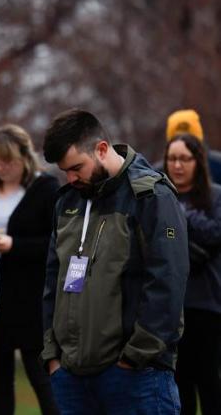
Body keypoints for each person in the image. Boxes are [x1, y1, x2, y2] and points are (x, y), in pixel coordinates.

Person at [41, 109, 188, 414]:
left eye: (76, 167)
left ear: (102, 149)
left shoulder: (151, 197)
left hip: (136, 377)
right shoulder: (67, 201)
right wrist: (53, 356)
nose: (70, 178)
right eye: (64, 171)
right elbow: (52, 281)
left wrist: (133, 359)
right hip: (71, 378)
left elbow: (167, 283)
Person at [0, 124, 59, 415]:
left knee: (43, 380)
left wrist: (15, 245)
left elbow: (57, 242)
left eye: (9, 161)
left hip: (31, 301)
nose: (2, 167)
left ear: (25, 158)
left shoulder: (45, 190)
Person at [163, 133, 221, 415]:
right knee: (179, 387)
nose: (177, 165)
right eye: (172, 159)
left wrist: (181, 213)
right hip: (172, 307)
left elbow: (214, 235)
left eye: (184, 158)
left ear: (197, 161)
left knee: (210, 384)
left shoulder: (216, 196)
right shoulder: (159, 198)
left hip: (207, 306)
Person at [163, 109, 221, 184]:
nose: (178, 166)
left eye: (185, 159)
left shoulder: (218, 165)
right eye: (177, 139)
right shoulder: (158, 174)